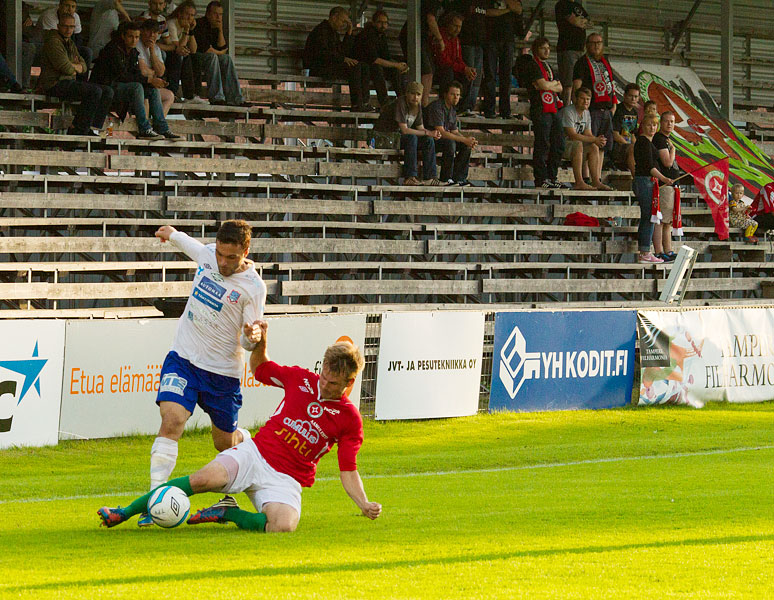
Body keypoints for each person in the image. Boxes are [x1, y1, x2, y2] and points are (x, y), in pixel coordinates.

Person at [98, 321, 381, 533]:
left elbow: (348, 469)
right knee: (201, 481)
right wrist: (262, 343)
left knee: (282, 526)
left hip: (287, 479)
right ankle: (124, 512)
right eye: (323, 377)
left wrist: (363, 504)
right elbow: (260, 369)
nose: (324, 384)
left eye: (332, 384)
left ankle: (227, 512)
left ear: (349, 384)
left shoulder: (349, 419)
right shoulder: (301, 379)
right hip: (254, 454)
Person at [122, 220, 267, 528]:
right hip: (184, 358)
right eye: (221, 256)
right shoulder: (209, 255)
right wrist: (170, 233)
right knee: (172, 420)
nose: (224, 263)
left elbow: (247, 337)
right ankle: (154, 500)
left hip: (222, 373)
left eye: (232, 257)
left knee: (223, 444)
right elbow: (190, 244)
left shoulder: (254, 287)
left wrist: (251, 336)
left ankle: (245, 440)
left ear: (246, 251)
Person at [91, 20, 180, 139]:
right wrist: (149, 80)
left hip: (122, 87)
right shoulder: (113, 49)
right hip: (107, 87)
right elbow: (122, 76)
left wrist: (151, 82)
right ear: (123, 36)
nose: (134, 40)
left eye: (136, 37)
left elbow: (137, 74)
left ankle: (162, 128)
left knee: (152, 90)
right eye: (130, 37)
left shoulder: (133, 51)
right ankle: (144, 129)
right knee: (137, 87)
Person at [37, 13, 114, 136]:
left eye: (72, 27)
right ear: (58, 26)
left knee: (108, 91)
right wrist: (73, 66)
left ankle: (92, 127)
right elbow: (66, 68)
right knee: (94, 91)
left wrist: (74, 66)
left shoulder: (70, 42)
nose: (68, 30)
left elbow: (83, 65)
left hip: (68, 82)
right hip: (54, 84)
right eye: (65, 26)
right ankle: (76, 129)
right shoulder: (53, 41)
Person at [375, 81, 443, 186]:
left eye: (418, 94)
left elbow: (421, 129)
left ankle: (430, 177)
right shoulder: (400, 103)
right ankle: (410, 177)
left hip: (398, 138)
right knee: (411, 138)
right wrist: (428, 132)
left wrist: (432, 134)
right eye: (412, 93)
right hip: (384, 137)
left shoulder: (417, 106)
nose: (415, 97)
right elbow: (405, 130)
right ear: (407, 93)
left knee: (428, 140)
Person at [524, 36, 564, 189]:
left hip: (554, 107)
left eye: (548, 48)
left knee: (559, 143)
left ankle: (552, 177)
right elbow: (541, 84)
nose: (547, 51)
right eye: (543, 48)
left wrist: (549, 85)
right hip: (540, 108)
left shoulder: (548, 66)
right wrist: (548, 85)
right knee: (543, 143)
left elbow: (559, 87)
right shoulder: (532, 64)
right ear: (536, 49)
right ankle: (541, 179)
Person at [303, 7, 363, 110]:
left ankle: (364, 102)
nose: (343, 25)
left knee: (363, 67)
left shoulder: (333, 33)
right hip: (320, 69)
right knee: (354, 68)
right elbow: (323, 54)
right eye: (342, 21)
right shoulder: (321, 31)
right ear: (334, 17)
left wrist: (348, 34)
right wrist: (343, 59)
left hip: (331, 66)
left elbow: (342, 51)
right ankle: (356, 105)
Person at [633, 114, 674, 264]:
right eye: (649, 125)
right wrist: (664, 178)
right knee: (648, 217)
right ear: (643, 126)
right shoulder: (643, 142)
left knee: (648, 217)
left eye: (654, 125)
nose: (652, 128)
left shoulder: (648, 142)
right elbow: (648, 166)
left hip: (648, 181)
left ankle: (645, 250)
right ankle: (645, 252)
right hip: (644, 181)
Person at [351, 10, 408, 112]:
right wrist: (396, 65)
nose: (383, 25)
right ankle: (384, 103)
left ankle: (404, 101)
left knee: (395, 71)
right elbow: (375, 60)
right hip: (364, 69)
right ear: (373, 23)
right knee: (378, 69)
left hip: (374, 67)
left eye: (385, 23)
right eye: (380, 22)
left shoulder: (381, 36)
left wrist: (399, 65)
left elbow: (386, 57)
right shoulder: (368, 35)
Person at [192, 1, 246, 106]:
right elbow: (207, 50)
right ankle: (217, 97)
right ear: (208, 14)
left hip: (211, 59)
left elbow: (223, 47)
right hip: (195, 58)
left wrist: (220, 30)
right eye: (215, 14)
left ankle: (236, 99)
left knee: (226, 59)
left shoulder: (216, 27)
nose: (218, 17)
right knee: (213, 57)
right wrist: (220, 52)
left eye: (220, 14)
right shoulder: (199, 24)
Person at [425, 80, 478, 185]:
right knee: (450, 143)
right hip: (430, 140)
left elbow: (454, 131)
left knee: (465, 146)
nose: (456, 97)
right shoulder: (437, 107)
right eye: (452, 94)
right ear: (445, 94)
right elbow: (441, 132)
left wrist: (468, 141)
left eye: (458, 95)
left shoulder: (452, 110)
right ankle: (446, 178)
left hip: (443, 139)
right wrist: (464, 139)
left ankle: (459, 178)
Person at [572, 32, 616, 157]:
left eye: (599, 43)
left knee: (603, 145)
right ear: (587, 45)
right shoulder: (582, 62)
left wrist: (614, 105)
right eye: (593, 43)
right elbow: (577, 86)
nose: (596, 46)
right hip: (592, 109)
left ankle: (598, 175)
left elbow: (610, 83)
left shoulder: (605, 61)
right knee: (590, 144)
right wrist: (579, 107)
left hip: (606, 109)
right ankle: (587, 176)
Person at [560, 86, 610, 191]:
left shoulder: (586, 113)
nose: (585, 101)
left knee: (593, 147)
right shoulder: (568, 111)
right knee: (578, 144)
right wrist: (594, 139)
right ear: (576, 99)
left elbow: (588, 133)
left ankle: (596, 181)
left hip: (576, 147)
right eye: (582, 98)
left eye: (588, 99)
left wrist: (598, 140)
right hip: (562, 145)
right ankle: (579, 182)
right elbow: (572, 135)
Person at [482, 0, 522, 119]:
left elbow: (519, 9)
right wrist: (508, 9)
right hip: (491, 38)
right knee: (490, 75)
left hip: (508, 39)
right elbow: (487, 12)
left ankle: (505, 111)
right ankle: (489, 110)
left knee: (506, 76)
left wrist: (503, 11)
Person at [399, 0, 444, 107]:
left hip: (421, 38)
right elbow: (431, 19)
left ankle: (423, 102)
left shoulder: (441, 5)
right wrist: (440, 39)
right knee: (427, 71)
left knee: (430, 70)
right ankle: (422, 103)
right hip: (413, 35)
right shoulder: (433, 3)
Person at [652, 111, 682, 262]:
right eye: (667, 121)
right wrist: (674, 150)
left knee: (668, 221)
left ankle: (668, 249)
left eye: (672, 121)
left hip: (672, 185)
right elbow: (667, 163)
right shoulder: (659, 139)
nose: (670, 124)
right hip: (664, 185)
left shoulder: (667, 139)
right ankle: (659, 250)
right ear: (661, 122)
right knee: (661, 219)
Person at [433, 12, 477, 111]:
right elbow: (443, 60)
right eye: (455, 26)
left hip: (452, 69)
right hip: (439, 70)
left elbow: (459, 59)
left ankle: (461, 109)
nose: (457, 29)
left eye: (459, 27)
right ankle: (444, 107)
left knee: (468, 75)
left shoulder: (456, 39)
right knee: (448, 72)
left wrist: (467, 69)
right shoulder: (440, 36)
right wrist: (463, 68)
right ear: (448, 24)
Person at [165, 0, 205, 103]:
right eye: (187, 14)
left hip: (178, 52)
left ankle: (195, 94)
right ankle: (176, 93)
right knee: (182, 56)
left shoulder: (187, 26)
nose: (189, 18)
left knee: (196, 57)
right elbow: (177, 47)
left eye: (192, 15)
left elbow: (193, 50)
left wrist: (190, 31)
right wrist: (186, 30)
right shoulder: (172, 23)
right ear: (180, 14)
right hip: (166, 53)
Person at [37, 0, 93, 69]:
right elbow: (53, 39)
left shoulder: (75, 16)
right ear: (60, 6)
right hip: (44, 45)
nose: (70, 9)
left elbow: (78, 37)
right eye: (67, 6)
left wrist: (75, 53)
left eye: (73, 7)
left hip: (66, 45)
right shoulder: (49, 16)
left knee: (87, 52)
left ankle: (80, 79)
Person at [454, 0, 487, 115]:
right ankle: (462, 107)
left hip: (479, 43)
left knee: (476, 77)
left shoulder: (483, 4)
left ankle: (470, 107)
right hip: (467, 41)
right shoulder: (465, 3)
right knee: (468, 74)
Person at [554, 0, 589, 105]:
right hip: (567, 47)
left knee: (579, 81)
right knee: (568, 82)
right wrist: (580, 22)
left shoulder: (578, 6)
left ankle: (577, 106)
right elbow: (572, 20)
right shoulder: (562, 5)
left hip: (580, 48)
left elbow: (589, 22)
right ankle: (566, 106)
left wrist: (580, 21)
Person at [137, 19, 174, 116]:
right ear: (142, 31)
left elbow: (161, 72)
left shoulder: (156, 48)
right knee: (147, 96)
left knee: (169, 96)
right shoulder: (137, 45)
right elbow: (143, 71)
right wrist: (154, 74)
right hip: (141, 84)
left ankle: (158, 125)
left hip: (151, 84)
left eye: (155, 32)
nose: (151, 35)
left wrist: (152, 50)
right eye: (148, 31)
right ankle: (148, 127)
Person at [611, 83, 639, 173]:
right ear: (625, 95)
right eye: (631, 96)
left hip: (628, 144)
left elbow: (633, 134)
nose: (633, 99)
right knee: (632, 149)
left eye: (636, 96)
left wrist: (637, 146)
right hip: (616, 146)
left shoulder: (634, 112)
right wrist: (630, 145)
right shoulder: (618, 110)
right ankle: (636, 178)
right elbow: (615, 134)